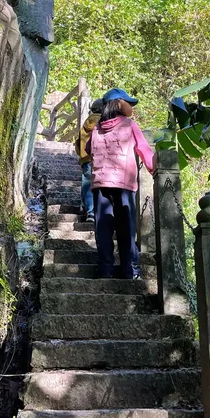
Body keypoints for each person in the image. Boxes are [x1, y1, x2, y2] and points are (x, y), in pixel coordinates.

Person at [87, 88, 155, 279]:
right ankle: (129, 269)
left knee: (103, 227)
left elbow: (87, 150)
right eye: (128, 103)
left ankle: (105, 269)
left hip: (100, 184)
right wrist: (153, 169)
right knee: (126, 227)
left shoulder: (97, 128)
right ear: (118, 104)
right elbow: (143, 148)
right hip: (124, 185)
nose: (131, 107)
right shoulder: (129, 125)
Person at [74, 98, 103, 223]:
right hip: (100, 158)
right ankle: (97, 211)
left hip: (86, 158)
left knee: (87, 183)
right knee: (99, 184)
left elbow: (77, 142)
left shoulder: (87, 123)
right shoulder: (105, 122)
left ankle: (88, 211)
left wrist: (81, 155)